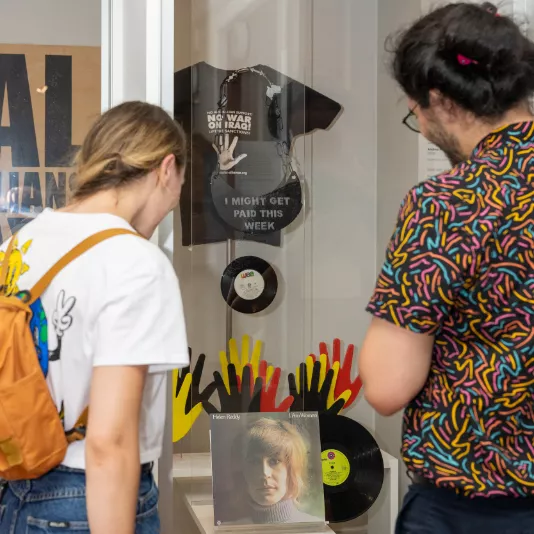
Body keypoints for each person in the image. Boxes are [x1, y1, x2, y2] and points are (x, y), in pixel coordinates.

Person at [359, 2, 534, 533]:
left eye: (418, 113)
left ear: (440, 100)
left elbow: (386, 386)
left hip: (476, 510)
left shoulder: (448, 204)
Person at [0, 101, 190, 533]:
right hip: (88, 502)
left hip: (14, 492)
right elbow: (109, 441)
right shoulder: (137, 262)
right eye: (180, 182)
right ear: (166, 169)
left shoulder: (21, 243)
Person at [225, 418, 321, 525]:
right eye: (254, 461)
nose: (265, 473)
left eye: (274, 461)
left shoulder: (314, 528)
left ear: (290, 470)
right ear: (243, 471)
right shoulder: (230, 529)